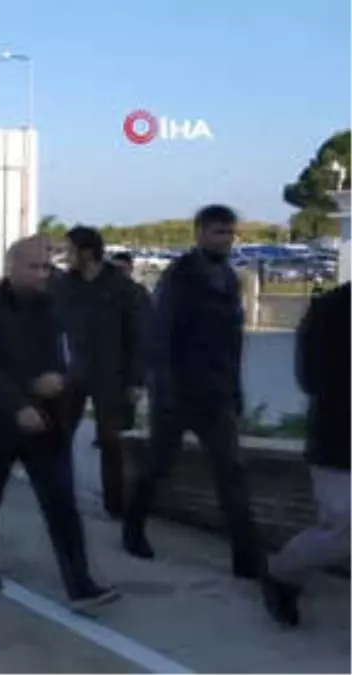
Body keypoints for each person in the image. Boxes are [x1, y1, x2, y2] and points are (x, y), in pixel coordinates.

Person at [0, 236, 119, 611]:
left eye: (46, 267)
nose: (40, 274)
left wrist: (65, 380)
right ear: (10, 267)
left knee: (62, 504)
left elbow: (80, 355)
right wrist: (21, 399)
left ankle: (80, 585)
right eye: (32, 267)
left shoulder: (58, 310)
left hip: (49, 425)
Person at [124, 204, 264, 578]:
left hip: (215, 394)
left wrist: (235, 390)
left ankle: (246, 558)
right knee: (158, 465)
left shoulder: (230, 279)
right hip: (178, 392)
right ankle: (133, 526)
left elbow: (233, 342)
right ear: (200, 232)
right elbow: (160, 337)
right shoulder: (179, 276)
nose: (225, 239)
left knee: (231, 472)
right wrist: (165, 394)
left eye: (230, 233)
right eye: (219, 232)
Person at [260, 280, 352, 627]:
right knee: (344, 527)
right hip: (339, 438)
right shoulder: (330, 308)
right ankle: (281, 573)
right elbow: (310, 377)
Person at [55, 227, 145, 519]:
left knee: (111, 442)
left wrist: (136, 380)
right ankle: (56, 492)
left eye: (70, 251)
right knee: (58, 435)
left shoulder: (122, 288)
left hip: (112, 374)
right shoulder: (65, 285)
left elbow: (139, 336)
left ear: (87, 252)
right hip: (73, 373)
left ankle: (115, 505)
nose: (66, 257)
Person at [109, 251, 152, 431]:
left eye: (122, 269)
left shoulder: (138, 295)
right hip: (106, 368)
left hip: (128, 368)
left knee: (125, 424)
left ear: (130, 270)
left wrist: (137, 380)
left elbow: (142, 337)